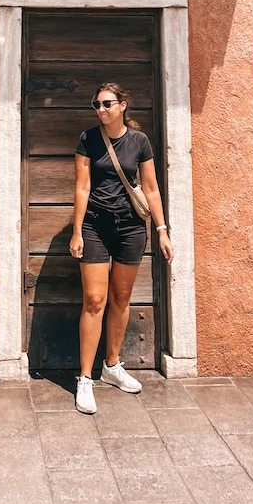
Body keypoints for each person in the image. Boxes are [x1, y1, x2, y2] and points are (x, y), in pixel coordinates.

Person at [70, 82, 174, 415]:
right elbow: (82, 187)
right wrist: (76, 231)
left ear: (123, 105)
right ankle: (85, 378)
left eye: (106, 104)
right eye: (96, 104)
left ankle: (111, 365)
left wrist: (162, 230)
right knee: (95, 300)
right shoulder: (88, 139)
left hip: (131, 228)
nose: (100, 110)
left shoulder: (139, 142)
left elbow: (151, 188)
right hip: (95, 227)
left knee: (121, 298)